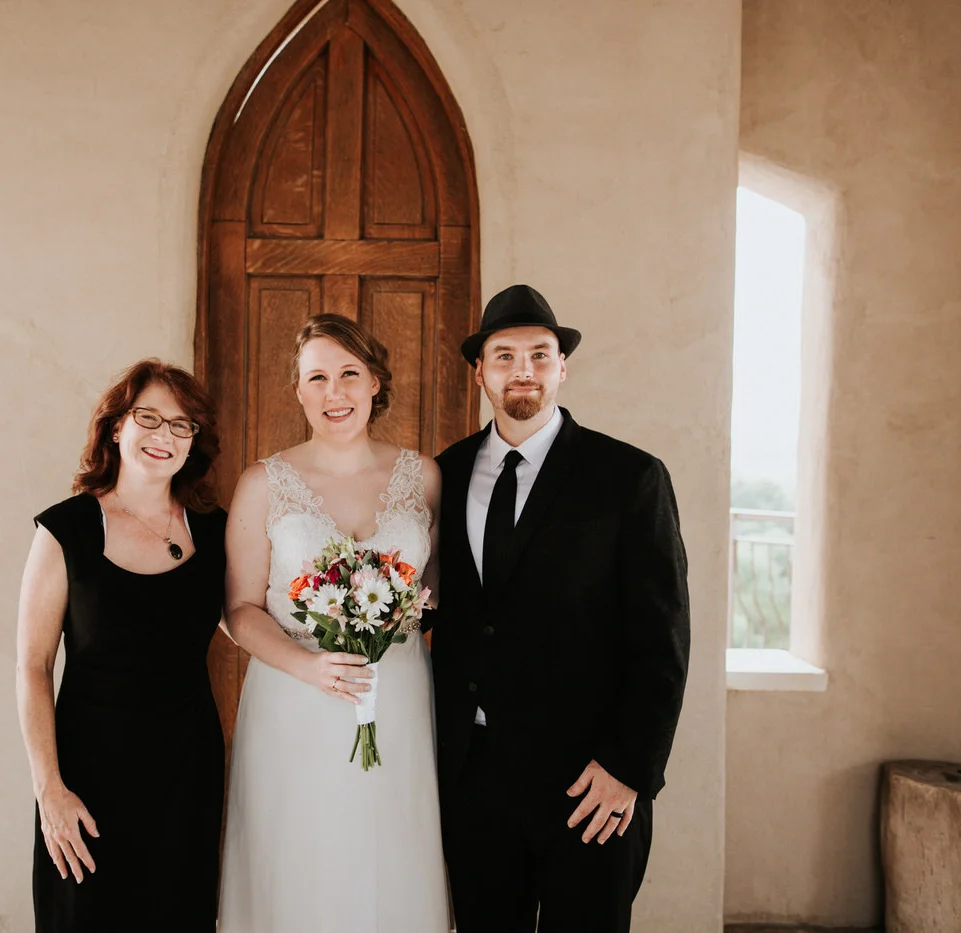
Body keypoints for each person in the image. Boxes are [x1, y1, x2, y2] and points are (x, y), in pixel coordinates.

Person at [433, 284, 691, 933]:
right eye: (505, 356)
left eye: (540, 355)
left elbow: (662, 639)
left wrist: (630, 767)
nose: (523, 370)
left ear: (562, 368)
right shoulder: (445, 474)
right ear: (480, 373)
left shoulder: (630, 477)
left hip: (589, 780)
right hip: (475, 779)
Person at [218, 315, 448, 932]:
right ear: (298, 390)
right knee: (301, 860)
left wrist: (393, 617)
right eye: (316, 377)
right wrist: (310, 666)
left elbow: (433, 594)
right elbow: (239, 609)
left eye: (349, 373)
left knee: (391, 856)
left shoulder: (424, 478)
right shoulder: (264, 483)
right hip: (294, 699)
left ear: (375, 381)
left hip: (397, 696)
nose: (334, 392)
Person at [16, 359, 227, 932]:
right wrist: (49, 790)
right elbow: (33, 665)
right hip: (87, 777)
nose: (165, 435)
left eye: (181, 425)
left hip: (186, 774)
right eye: (148, 417)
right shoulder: (66, 529)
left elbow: (246, 620)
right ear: (116, 427)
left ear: (194, 440)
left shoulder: (214, 530)